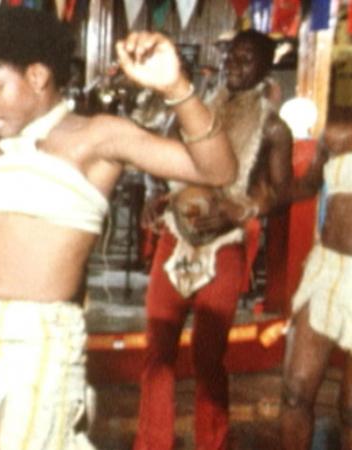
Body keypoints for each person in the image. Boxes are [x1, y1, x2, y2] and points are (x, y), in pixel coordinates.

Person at [0, 6, 236, 449]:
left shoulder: (98, 136)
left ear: (37, 76)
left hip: (37, 338)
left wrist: (176, 88)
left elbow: (217, 170)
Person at [134, 30, 293, 450]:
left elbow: (283, 192)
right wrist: (154, 195)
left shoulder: (274, 128)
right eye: (230, 57)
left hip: (224, 250)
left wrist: (247, 208)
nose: (234, 65)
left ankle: (215, 443)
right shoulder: (193, 110)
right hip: (174, 239)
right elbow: (156, 154)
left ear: (266, 67)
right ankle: (152, 444)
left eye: (246, 59)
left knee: (208, 359)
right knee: (157, 353)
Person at [281, 109, 352, 449]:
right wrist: (255, 200)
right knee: (295, 392)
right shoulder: (339, 129)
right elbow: (309, 184)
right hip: (328, 269)